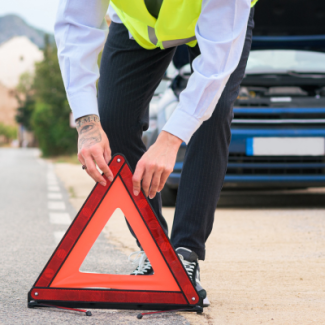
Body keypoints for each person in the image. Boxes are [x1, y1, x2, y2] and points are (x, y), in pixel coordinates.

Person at [55, 0, 256, 305]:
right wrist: (86, 123)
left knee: (213, 113)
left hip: (220, 22)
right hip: (139, 29)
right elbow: (75, 26)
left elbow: (216, 66)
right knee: (114, 122)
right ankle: (154, 249)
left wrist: (170, 140)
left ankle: (185, 252)